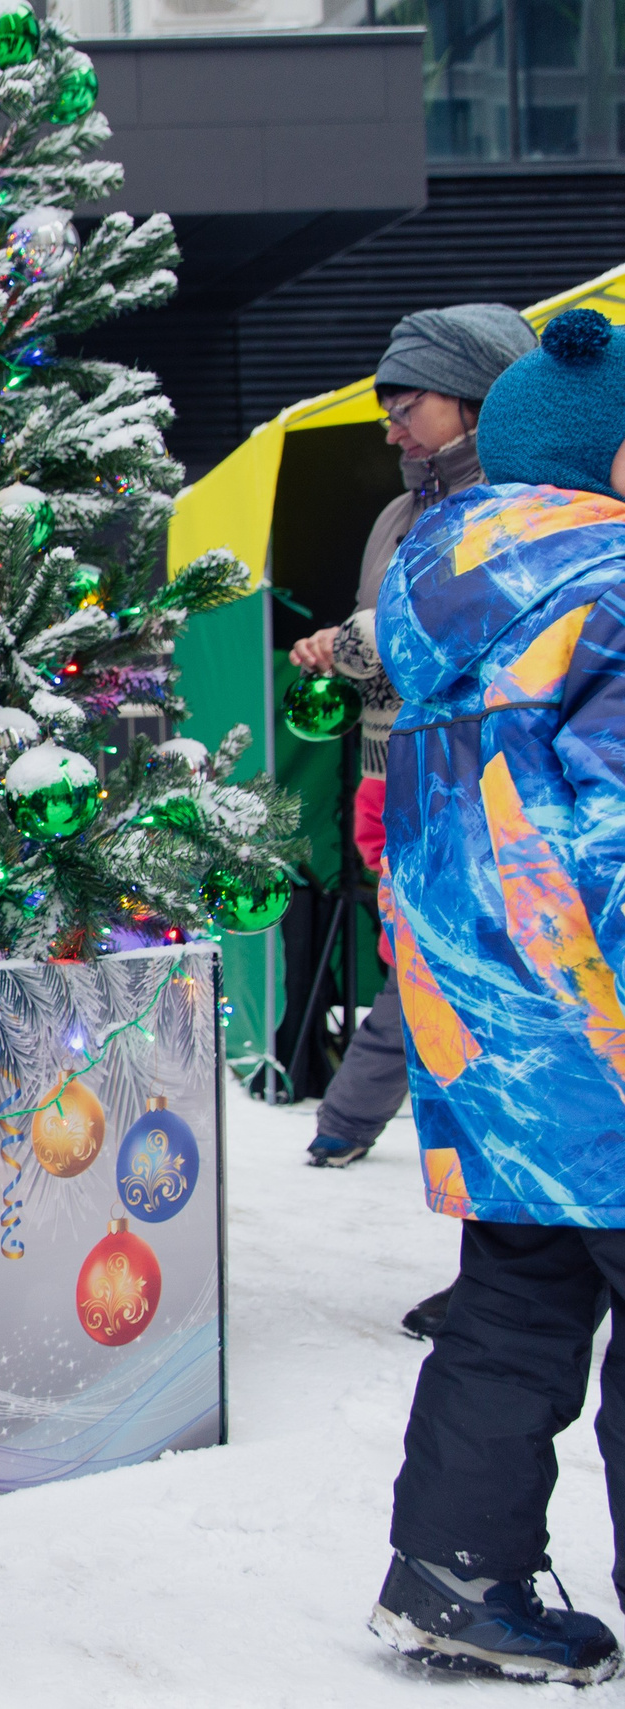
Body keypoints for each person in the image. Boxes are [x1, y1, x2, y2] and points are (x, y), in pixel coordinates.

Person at [364, 307, 625, 1686]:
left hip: (489, 1039)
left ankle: (455, 1577)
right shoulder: (617, 592)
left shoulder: (433, 585)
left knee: (516, 1301)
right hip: (605, 1028)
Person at [291, 305, 539, 1189]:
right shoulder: (398, 512)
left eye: (410, 403)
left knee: (467, 992)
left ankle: (362, 1123)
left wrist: (355, 641)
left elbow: (426, 633)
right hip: (387, 782)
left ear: (477, 399)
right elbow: (390, 642)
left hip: (483, 794)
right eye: (385, 405)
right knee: (427, 974)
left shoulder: (515, 508)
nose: (391, 425)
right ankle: (500, 1249)